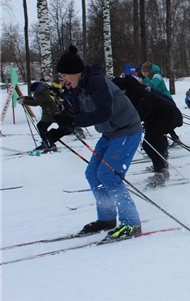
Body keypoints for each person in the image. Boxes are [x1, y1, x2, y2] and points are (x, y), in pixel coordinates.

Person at [47, 50, 143, 240]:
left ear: (75, 72)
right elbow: (76, 115)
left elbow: (104, 113)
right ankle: (107, 218)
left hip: (126, 130)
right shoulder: (78, 88)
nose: (63, 79)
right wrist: (61, 129)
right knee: (92, 173)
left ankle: (132, 224)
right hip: (109, 133)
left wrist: (73, 119)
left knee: (108, 175)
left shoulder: (96, 82)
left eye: (64, 75)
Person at [112, 76, 174, 188]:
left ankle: (161, 171)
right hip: (157, 117)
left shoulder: (137, 91)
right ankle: (161, 168)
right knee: (152, 142)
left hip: (166, 115)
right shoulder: (131, 91)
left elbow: (143, 110)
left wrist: (133, 122)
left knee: (149, 144)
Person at [141, 61, 181, 144]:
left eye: (145, 72)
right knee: (162, 120)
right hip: (160, 101)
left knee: (163, 120)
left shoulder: (156, 76)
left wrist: (143, 78)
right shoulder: (151, 76)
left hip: (166, 100)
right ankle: (173, 138)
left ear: (149, 71)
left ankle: (165, 141)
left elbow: (152, 85)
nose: (144, 74)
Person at [17, 81, 60, 152]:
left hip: (51, 113)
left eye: (33, 91)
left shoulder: (43, 94)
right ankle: (45, 143)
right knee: (40, 126)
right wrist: (24, 98)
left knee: (43, 129)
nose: (33, 93)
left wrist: (24, 101)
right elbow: (35, 99)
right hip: (48, 113)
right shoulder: (41, 92)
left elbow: (36, 102)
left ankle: (51, 144)